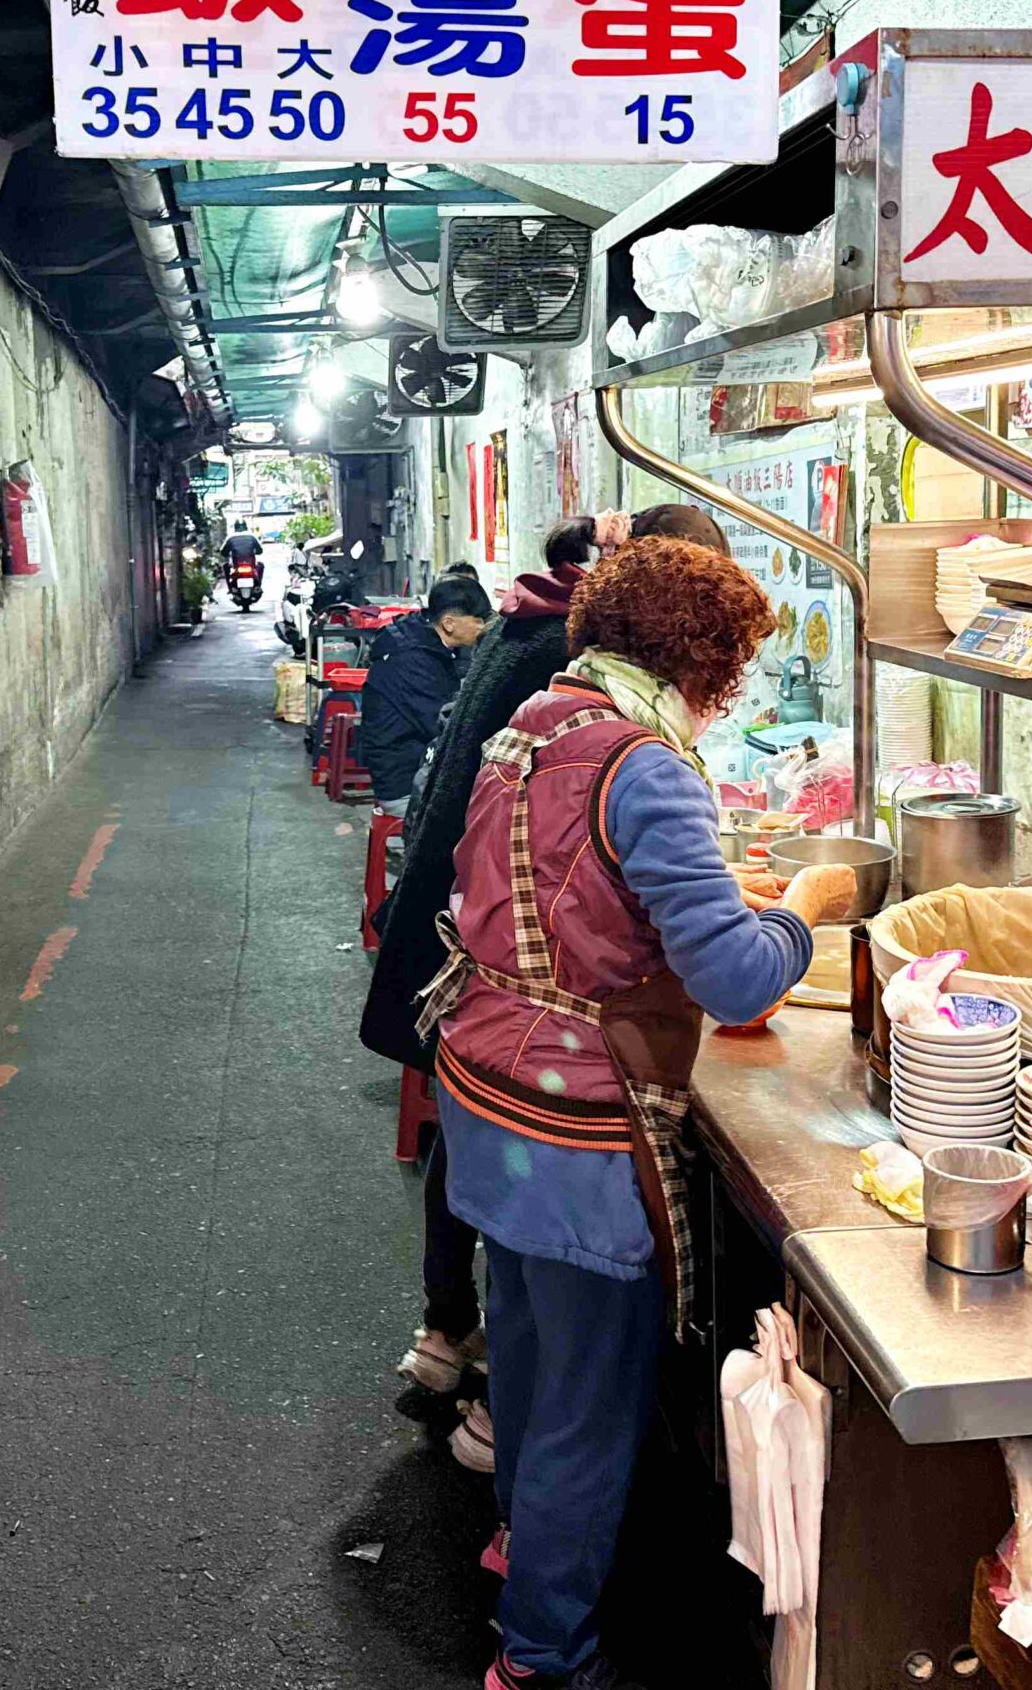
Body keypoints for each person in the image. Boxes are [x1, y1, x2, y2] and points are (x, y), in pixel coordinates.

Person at [420, 538, 854, 1690]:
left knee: (523, 1354)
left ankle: (523, 1549)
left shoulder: (542, 720)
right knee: (585, 1412)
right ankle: (544, 1660)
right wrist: (805, 911)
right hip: (569, 1127)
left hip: (485, 1088)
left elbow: (574, 900)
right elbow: (741, 981)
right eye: (733, 666)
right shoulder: (647, 767)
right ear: (704, 660)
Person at [360, 506, 729, 1459]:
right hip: (501, 974)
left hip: (469, 944)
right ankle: (479, 1383)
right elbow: (593, 867)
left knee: (494, 1207)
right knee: (554, 1296)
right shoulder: (580, 691)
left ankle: (456, 1349)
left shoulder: (537, 633)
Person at [357, 575, 493, 819]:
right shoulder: (413, 660)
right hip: (404, 785)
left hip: (416, 765)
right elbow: (445, 728)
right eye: (478, 620)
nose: (482, 627)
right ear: (449, 623)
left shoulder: (427, 642)